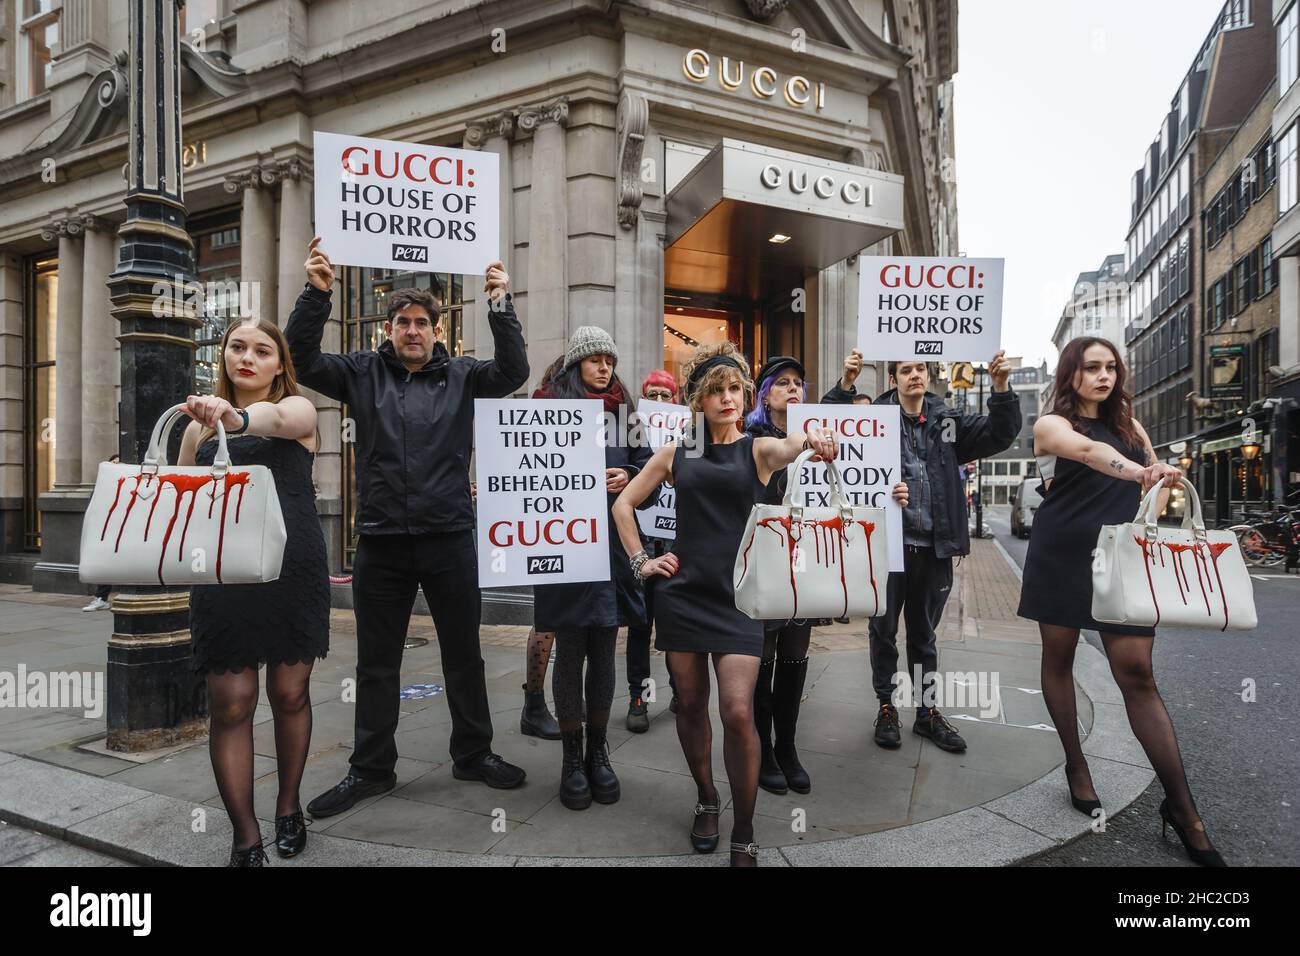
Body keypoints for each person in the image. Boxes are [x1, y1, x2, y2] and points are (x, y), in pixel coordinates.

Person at [286, 238, 530, 819]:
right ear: (388, 329)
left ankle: (474, 753)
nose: (413, 330)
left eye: (423, 322)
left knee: (464, 655)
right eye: (402, 322)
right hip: (382, 544)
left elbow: (515, 371)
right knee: (376, 662)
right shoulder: (361, 374)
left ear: (438, 329)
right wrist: (317, 291)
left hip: (448, 540)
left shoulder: (466, 376)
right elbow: (300, 356)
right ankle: (371, 768)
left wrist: (500, 303)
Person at [612, 342, 838, 867]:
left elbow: (793, 445)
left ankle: (746, 827)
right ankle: (707, 798)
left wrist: (816, 439)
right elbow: (624, 504)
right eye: (717, 391)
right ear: (698, 399)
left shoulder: (758, 449)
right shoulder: (674, 454)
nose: (728, 398)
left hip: (740, 598)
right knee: (690, 705)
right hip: (683, 595)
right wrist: (642, 561)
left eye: (736, 388)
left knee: (737, 712)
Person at [1018, 337, 1225, 866]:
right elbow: (1089, 454)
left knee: (1137, 674)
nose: (1104, 376)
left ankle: (1183, 810)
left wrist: (1161, 479)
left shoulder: (1133, 428)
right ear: (1071, 375)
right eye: (1091, 368)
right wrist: (1137, 472)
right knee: (1058, 659)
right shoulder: (1052, 424)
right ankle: (1075, 763)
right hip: (1063, 552)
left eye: (1111, 367)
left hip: (1120, 558)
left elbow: (1150, 490)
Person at [177, 318, 328, 867]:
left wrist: (236, 419)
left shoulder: (301, 412)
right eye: (237, 347)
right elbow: (186, 507)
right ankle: (246, 837)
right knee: (232, 704)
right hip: (223, 576)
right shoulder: (194, 431)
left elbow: (274, 418)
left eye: (262, 350)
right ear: (223, 356)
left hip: (293, 571)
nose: (248, 357)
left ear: (279, 365)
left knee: (290, 695)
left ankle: (288, 806)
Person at [742, 355, 909, 796]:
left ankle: (788, 747)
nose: (794, 389)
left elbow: (859, 477)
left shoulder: (821, 436)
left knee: (796, 654)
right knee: (763, 656)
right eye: (783, 383)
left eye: (799, 382)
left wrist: (891, 492)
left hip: (807, 562)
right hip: (769, 559)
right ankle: (759, 749)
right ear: (764, 394)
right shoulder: (751, 439)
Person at [870, 354, 1020, 753]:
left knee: (924, 636)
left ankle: (926, 714)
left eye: (921, 368)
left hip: (933, 549)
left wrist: (1002, 389)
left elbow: (999, 435)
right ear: (893, 378)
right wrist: (847, 384)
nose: (915, 374)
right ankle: (886, 707)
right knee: (883, 632)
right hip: (888, 548)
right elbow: (842, 453)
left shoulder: (946, 421)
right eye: (906, 369)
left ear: (928, 375)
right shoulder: (873, 420)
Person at [533, 327, 651, 809]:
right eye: (595, 359)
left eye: (610, 359)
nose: (605, 366)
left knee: (604, 647)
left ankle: (599, 752)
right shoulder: (545, 406)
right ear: (577, 363)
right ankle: (571, 758)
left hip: (610, 550)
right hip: (566, 550)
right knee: (571, 648)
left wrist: (630, 476)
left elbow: (652, 470)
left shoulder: (627, 412)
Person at [625, 369, 681, 731]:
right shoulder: (633, 435)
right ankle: (639, 697)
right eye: (653, 395)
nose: (659, 402)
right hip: (644, 544)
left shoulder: (689, 437)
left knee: (676, 625)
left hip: (678, 543)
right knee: (640, 625)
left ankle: (681, 689)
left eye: (665, 395)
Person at [518, 353, 569, 741]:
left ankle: (562, 703)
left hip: (585, 534)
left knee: (570, 625)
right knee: (548, 621)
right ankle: (534, 704)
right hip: (552, 532)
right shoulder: (543, 406)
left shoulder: (614, 411)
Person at [83, 454, 121, 611]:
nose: (115, 465)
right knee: (105, 562)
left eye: (119, 463)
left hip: (125, 529)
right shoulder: (102, 485)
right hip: (108, 529)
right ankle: (101, 598)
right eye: (113, 462)